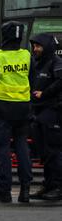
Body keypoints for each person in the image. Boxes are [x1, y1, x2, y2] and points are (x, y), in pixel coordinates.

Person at [0, 21, 34, 203]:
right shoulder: (27, 55)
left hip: (2, 108)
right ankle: (25, 189)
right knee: (22, 147)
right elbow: (32, 79)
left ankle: (3, 190)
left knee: (3, 149)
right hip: (23, 107)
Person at [29, 33, 62, 201]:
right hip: (39, 111)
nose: (35, 49)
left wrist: (44, 93)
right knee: (44, 151)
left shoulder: (56, 63)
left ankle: (58, 186)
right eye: (34, 46)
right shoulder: (36, 64)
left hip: (53, 111)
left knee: (53, 150)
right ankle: (49, 184)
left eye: (38, 46)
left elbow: (60, 82)